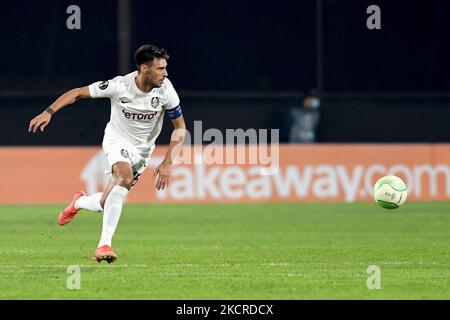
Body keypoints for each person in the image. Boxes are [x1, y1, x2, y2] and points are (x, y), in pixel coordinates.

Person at [28, 44, 186, 263]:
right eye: (160, 68)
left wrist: (168, 162)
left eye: (165, 68)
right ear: (144, 69)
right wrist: (49, 112)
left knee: (105, 202)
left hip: (143, 151)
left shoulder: (166, 90)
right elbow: (77, 93)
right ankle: (104, 245)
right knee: (124, 177)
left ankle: (79, 202)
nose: (166, 73)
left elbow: (180, 127)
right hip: (117, 141)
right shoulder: (119, 86)